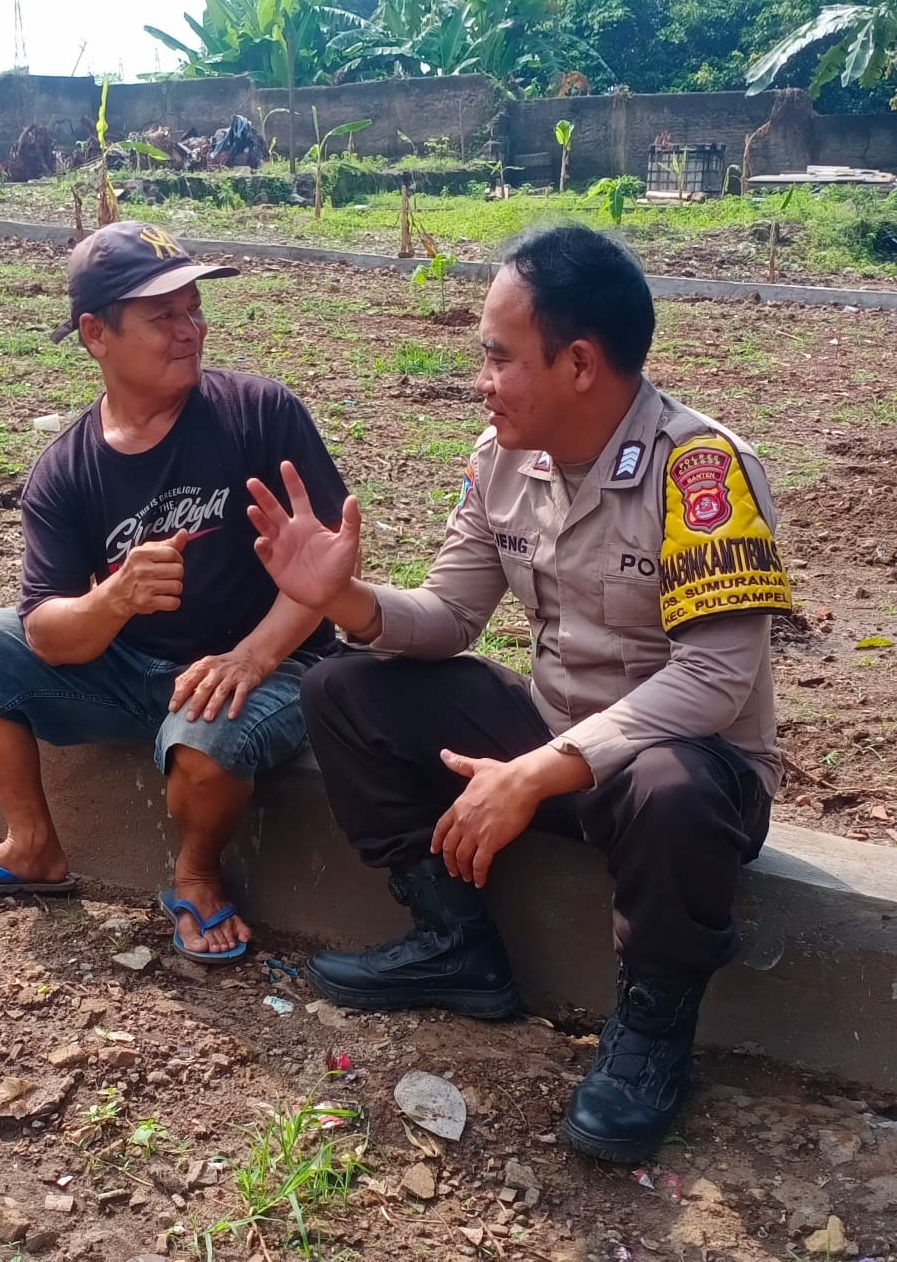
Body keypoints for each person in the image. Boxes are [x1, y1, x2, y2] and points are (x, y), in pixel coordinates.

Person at [245, 222, 792, 1160]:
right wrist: (344, 599)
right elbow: (450, 615)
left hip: (683, 779)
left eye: (499, 356)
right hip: (551, 743)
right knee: (343, 689)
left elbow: (712, 679)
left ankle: (652, 1031)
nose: (481, 379)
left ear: (578, 363)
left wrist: (536, 772)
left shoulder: (699, 470)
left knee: (672, 787)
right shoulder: (502, 458)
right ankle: (454, 942)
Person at [0, 220, 348, 964]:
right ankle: (32, 845)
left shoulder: (258, 413)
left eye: (194, 310)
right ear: (95, 334)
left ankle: (197, 875)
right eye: (163, 316)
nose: (190, 331)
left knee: (204, 742)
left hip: (270, 666)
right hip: (135, 669)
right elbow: (47, 632)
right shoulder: (66, 470)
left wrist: (251, 657)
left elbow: (328, 563)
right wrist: (114, 599)